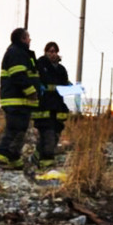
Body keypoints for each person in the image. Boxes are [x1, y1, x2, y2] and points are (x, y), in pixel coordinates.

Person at [0, 28, 41, 170]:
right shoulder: (16, 53)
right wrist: (30, 91)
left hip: (21, 101)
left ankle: (13, 157)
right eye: (28, 37)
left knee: (20, 130)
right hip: (16, 100)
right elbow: (18, 75)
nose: (30, 40)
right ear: (22, 39)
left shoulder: (21, 53)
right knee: (15, 129)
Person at [34, 41, 72, 169]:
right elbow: (35, 80)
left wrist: (72, 88)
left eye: (55, 51)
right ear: (45, 52)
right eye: (50, 51)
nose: (53, 54)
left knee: (55, 132)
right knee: (47, 133)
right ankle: (46, 161)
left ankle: (38, 156)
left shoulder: (61, 69)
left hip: (57, 106)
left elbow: (65, 84)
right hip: (44, 105)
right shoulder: (40, 65)